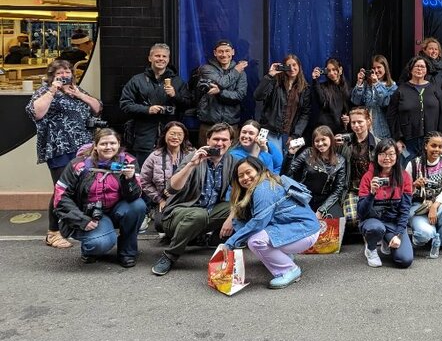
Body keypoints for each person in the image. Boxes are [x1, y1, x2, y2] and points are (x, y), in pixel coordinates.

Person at [26, 59, 103, 250]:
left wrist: (79, 95)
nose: (64, 75)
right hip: (59, 147)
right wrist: (53, 90)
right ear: (52, 76)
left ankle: (73, 226)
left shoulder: (77, 90)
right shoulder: (45, 91)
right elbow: (36, 113)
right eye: (59, 72)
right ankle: (53, 232)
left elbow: (98, 107)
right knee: (62, 189)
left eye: (67, 71)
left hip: (83, 148)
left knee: (82, 188)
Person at [221, 156, 321, 289]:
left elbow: (258, 223)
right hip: (302, 229)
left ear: (259, 170)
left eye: (248, 172)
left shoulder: (263, 189)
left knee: (256, 241)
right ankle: (283, 257)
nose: (245, 177)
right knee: (255, 236)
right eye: (240, 176)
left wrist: (230, 243)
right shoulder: (260, 186)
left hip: (305, 231)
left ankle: (289, 270)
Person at [52, 128, 147, 267]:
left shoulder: (128, 161)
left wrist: (129, 179)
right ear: (95, 146)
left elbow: (134, 196)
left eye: (113, 143)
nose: (108, 147)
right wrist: (81, 220)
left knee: (138, 206)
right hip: (88, 214)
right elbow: (60, 197)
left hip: (117, 209)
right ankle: (90, 250)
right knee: (100, 243)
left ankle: (127, 252)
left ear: (118, 144)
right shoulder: (79, 164)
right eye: (103, 144)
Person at [151, 123, 236, 276]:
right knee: (198, 214)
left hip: (206, 213)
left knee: (237, 208)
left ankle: (210, 239)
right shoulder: (194, 156)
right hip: (178, 215)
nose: (220, 143)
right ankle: (170, 255)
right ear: (208, 140)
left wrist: (231, 217)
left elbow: (240, 193)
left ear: (230, 143)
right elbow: (171, 188)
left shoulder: (231, 161)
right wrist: (191, 165)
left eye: (224, 140)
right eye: (216, 139)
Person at [119, 43, 191, 166]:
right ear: (150, 58)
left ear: (168, 59)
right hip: (144, 137)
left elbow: (188, 105)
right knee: (143, 174)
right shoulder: (137, 80)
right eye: (157, 55)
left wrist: (175, 96)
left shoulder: (177, 81)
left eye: (164, 56)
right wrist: (147, 110)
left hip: (170, 138)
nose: (161, 59)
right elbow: (125, 104)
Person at [357, 138, 414, 269]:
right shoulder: (368, 177)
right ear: (377, 156)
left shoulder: (404, 176)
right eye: (382, 154)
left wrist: (398, 234)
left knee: (405, 260)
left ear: (396, 156)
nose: (387, 158)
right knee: (376, 228)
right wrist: (371, 193)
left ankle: (386, 238)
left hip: (393, 222)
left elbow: (405, 209)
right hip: (373, 220)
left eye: (391, 154)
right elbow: (361, 212)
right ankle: (371, 249)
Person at [387, 56, 442, 163]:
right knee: (407, 173)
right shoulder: (400, 90)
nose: (419, 69)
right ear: (411, 69)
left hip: (432, 142)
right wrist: (397, 139)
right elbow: (391, 116)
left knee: (430, 173)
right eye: (417, 66)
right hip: (407, 142)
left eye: (422, 67)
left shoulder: (435, 90)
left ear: (426, 70)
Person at [405, 132, 442, 258]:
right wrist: (414, 185)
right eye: (433, 146)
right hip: (418, 207)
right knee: (424, 235)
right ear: (425, 146)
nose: (437, 150)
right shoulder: (413, 164)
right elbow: (404, 192)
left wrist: (434, 206)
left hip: (437, 204)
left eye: (440, 147)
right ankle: (431, 236)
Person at [283, 126, 347, 219]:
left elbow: (338, 190)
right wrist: (290, 155)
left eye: (323, 139)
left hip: (325, 199)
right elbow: (287, 174)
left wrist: (322, 210)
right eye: (317, 141)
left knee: (336, 220)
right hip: (304, 195)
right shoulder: (308, 152)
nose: (320, 144)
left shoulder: (340, 161)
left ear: (331, 139)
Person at [254, 54, 311, 155]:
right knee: (274, 161)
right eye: (288, 66)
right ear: (284, 67)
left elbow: (304, 114)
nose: (292, 68)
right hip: (271, 131)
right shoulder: (275, 81)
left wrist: (295, 135)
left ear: (299, 66)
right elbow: (258, 96)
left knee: (285, 163)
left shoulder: (305, 88)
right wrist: (270, 75)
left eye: (294, 65)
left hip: (289, 134)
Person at [196, 40, 248, 146]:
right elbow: (221, 82)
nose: (224, 55)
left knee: (230, 158)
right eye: (220, 51)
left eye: (227, 51)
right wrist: (236, 71)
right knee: (205, 156)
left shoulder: (241, 73)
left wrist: (220, 92)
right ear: (215, 53)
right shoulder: (206, 69)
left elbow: (240, 95)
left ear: (233, 52)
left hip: (231, 124)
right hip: (209, 123)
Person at [337, 107, 380, 224]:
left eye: (360, 122)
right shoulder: (345, 144)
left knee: (375, 212)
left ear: (368, 121)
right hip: (352, 189)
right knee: (352, 218)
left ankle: (369, 230)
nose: (356, 125)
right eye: (353, 122)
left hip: (371, 188)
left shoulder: (378, 144)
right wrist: (335, 147)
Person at [351, 54, 397, 139]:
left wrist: (376, 83)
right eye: (373, 68)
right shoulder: (367, 84)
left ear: (385, 68)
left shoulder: (392, 86)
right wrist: (359, 83)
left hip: (382, 130)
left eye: (379, 67)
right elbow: (355, 101)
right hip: (366, 128)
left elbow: (385, 102)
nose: (376, 70)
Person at [310, 58, 352, 135]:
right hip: (327, 129)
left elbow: (352, 107)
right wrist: (315, 80)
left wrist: (350, 118)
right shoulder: (322, 87)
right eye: (328, 71)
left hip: (343, 130)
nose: (332, 73)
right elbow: (321, 103)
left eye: (334, 69)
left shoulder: (348, 87)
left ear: (340, 69)